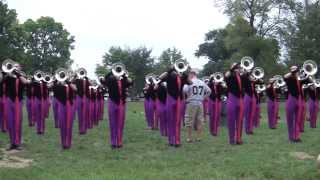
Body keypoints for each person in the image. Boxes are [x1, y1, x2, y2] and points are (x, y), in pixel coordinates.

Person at [158, 65, 191, 147]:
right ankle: (171, 140)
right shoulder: (169, 75)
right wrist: (169, 70)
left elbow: (190, 82)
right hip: (170, 98)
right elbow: (160, 77)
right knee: (170, 120)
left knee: (177, 121)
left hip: (179, 99)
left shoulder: (183, 76)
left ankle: (177, 141)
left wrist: (185, 73)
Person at [101, 70, 133, 149]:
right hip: (112, 102)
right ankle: (113, 142)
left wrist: (124, 75)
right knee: (112, 123)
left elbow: (131, 82)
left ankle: (119, 142)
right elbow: (103, 80)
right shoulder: (110, 79)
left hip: (122, 103)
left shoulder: (124, 79)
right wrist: (111, 72)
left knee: (120, 123)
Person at [3, 67, 29, 150]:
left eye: (17, 67)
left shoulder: (22, 75)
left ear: (20, 68)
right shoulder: (8, 76)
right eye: (14, 66)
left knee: (17, 122)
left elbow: (25, 82)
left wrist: (18, 74)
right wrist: (7, 74)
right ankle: (12, 143)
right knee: (10, 122)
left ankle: (17, 143)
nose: (14, 68)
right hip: (9, 100)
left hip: (18, 101)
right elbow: (1, 81)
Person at [183, 70, 211, 142]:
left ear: (191, 74)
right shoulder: (202, 82)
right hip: (200, 103)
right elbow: (209, 91)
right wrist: (203, 98)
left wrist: (187, 97)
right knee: (200, 121)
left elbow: (184, 90)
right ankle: (198, 137)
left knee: (189, 120)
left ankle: (189, 138)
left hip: (191, 102)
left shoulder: (189, 82)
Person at [52, 78, 77, 149]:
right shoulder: (58, 85)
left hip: (70, 105)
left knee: (69, 124)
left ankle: (68, 143)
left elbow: (75, 89)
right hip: (61, 105)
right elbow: (51, 87)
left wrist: (68, 82)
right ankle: (63, 143)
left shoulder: (71, 84)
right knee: (62, 124)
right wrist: (56, 81)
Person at [224, 63, 245, 145]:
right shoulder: (230, 76)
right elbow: (225, 76)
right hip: (232, 98)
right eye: (236, 68)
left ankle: (239, 139)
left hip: (240, 99)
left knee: (240, 120)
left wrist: (246, 72)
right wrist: (231, 69)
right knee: (231, 120)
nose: (238, 69)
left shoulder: (242, 77)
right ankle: (231, 139)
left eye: (238, 68)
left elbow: (248, 79)